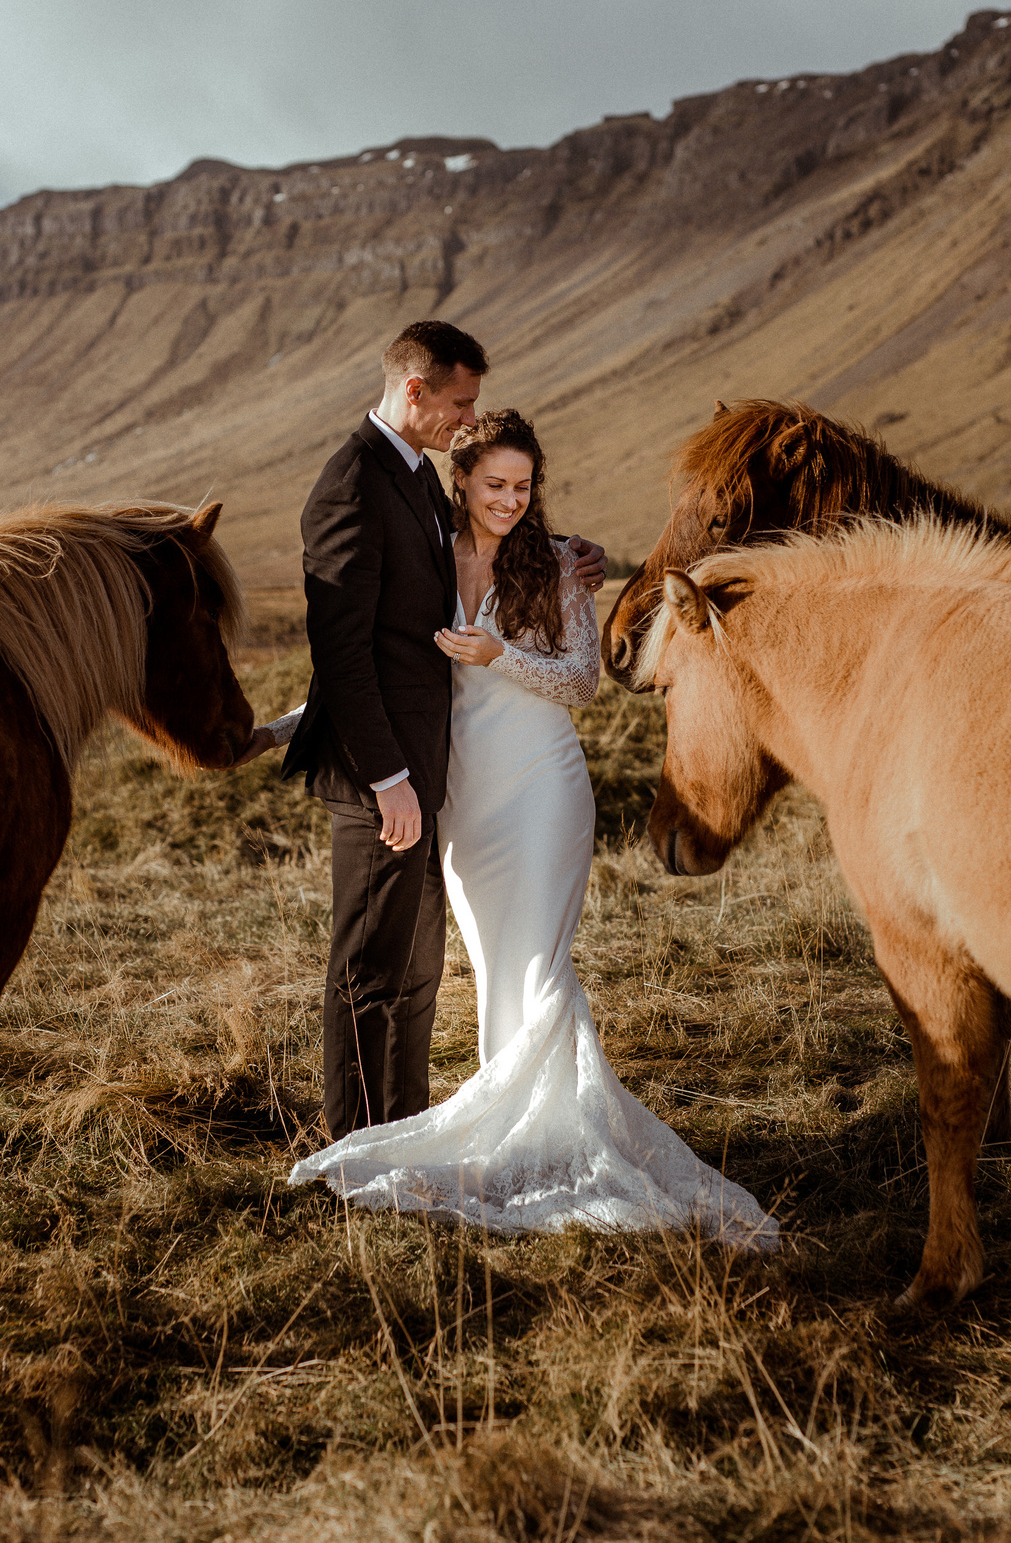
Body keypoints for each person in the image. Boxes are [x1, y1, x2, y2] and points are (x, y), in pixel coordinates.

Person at [274, 408, 778, 1249]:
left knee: (540, 971)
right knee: (497, 973)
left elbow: (582, 679)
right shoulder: (429, 558)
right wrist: (290, 723)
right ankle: (515, 1141)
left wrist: (493, 654)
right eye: (495, 484)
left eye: (525, 485)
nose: (511, 500)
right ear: (460, 481)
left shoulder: (554, 565)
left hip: (543, 791)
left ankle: (559, 1145)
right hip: (466, 800)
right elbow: (378, 658)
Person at [273, 323, 604, 1141]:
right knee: (371, 970)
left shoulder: (416, 475)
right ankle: (359, 1142)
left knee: (417, 972)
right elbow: (345, 653)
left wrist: (563, 554)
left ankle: (406, 1128)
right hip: (389, 780)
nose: (468, 417)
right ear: (416, 390)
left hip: (450, 781)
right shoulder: (352, 485)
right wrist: (387, 779)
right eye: (461, 403)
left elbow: (455, 570)